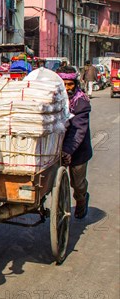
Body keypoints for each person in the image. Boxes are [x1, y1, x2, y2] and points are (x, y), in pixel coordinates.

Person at [56, 66, 92, 219]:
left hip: (78, 150)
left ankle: (82, 200)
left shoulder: (81, 102)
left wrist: (68, 151)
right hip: (58, 148)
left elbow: (78, 131)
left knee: (77, 185)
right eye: (63, 84)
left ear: (75, 83)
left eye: (70, 84)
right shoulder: (54, 99)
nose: (67, 88)